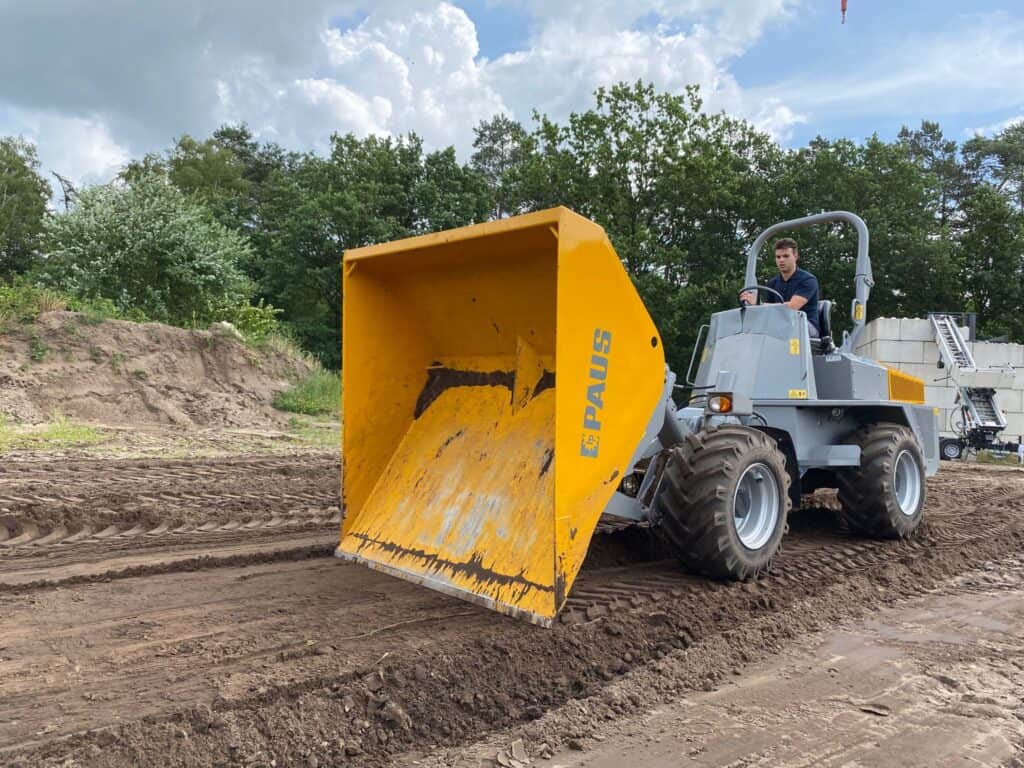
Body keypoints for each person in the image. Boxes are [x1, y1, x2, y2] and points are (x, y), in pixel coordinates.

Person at [741, 237, 820, 336]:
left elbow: (792, 307)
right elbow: (767, 312)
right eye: (778, 257)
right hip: (780, 326)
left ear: (795, 256)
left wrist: (759, 304)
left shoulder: (808, 280)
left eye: (786, 256)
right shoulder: (773, 283)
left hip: (805, 326)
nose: (781, 260)